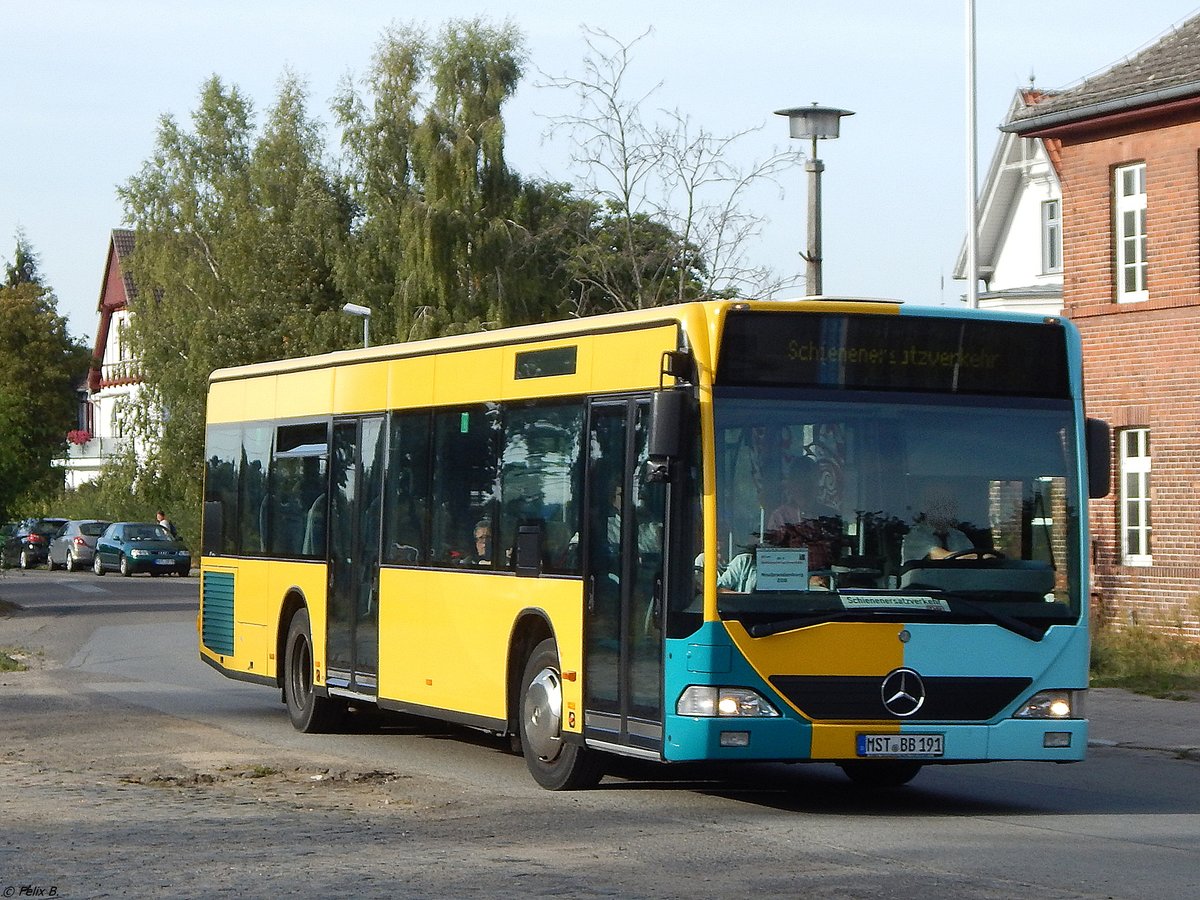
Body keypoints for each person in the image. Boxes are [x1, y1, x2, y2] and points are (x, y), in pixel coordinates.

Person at [902, 484, 974, 562]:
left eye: (948, 504)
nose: (943, 509)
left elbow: (974, 557)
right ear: (925, 508)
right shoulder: (916, 535)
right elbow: (941, 556)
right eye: (937, 504)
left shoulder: (959, 537)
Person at [766, 456, 838, 533]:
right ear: (791, 484)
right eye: (800, 481)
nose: (805, 488)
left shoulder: (831, 516)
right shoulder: (779, 517)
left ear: (817, 483)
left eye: (810, 481)